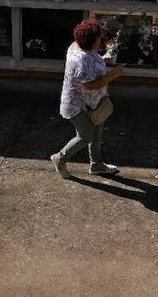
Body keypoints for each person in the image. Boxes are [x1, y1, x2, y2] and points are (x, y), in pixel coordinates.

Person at [51, 17, 124, 178]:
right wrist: (114, 74)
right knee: (86, 136)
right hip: (78, 105)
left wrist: (105, 57)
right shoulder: (80, 59)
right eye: (99, 38)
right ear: (91, 42)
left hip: (94, 102)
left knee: (97, 130)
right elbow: (91, 84)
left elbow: (92, 61)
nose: (101, 39)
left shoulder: (78, 47)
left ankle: (96, 164)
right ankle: (60, 158)